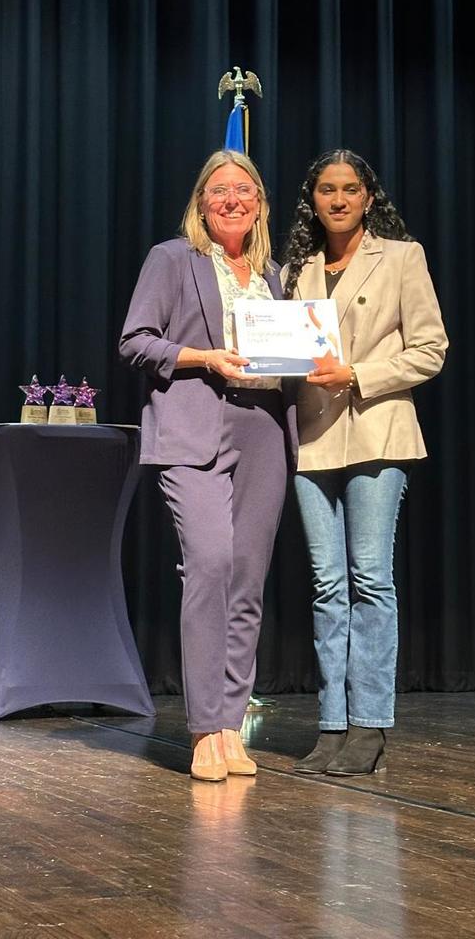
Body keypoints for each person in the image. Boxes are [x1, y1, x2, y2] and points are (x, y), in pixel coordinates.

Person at [119, 150, 294, 782]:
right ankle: (202, 729)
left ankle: (230, 725)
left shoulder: (275, 275)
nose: (232, 200)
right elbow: (136, 341)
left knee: (247, 578)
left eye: (244, 191)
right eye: (219, 191)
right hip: (194, 425)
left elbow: (293, 354)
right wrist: (205, 358)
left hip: (264, 430)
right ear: (200, 202)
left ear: (260, 204)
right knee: (210, 566)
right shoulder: (172, 259)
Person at [281, 149, 447, 776]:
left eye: (351, 189)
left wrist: (360, 375)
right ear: (313, 199)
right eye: (328, 189)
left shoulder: (402, 257)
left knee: (370, 580)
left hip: (378, 431)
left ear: (368, 198)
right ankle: (331, 724)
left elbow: (431, 349)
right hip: (312, 438)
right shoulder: (295, 268)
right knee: (327, 587)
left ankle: (371, 724)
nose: (340, 199)